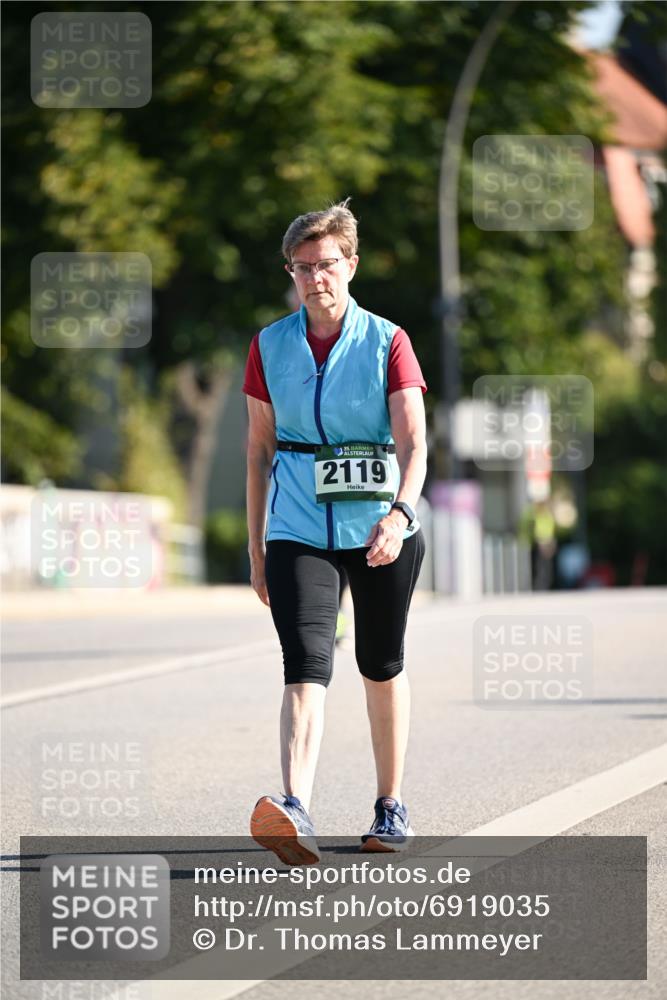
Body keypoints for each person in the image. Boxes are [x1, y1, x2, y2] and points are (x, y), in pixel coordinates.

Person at [243, 200, 427, 866]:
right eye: (301, 268)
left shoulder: (387, 341)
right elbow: (257, 449)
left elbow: (414, 444)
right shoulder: (269, 345)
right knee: (304, 664)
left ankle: (390, 804)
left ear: (350, 264)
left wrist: (399, 515)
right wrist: (257, 549)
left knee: (378, 664)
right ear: (289, 272)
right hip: (298, 529)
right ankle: (294, 806)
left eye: (326, 265)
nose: (314, 278)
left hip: (379, 527)